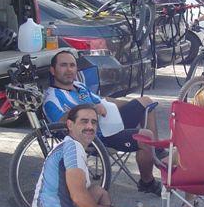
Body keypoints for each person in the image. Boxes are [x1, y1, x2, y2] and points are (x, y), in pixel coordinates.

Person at [33, 104, 162, 207]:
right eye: (84, 121)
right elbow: (79, 199)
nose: (90, 126)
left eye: (93, 122)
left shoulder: (67, 146)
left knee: (99, 191)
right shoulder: (73, 150)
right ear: (70, 124)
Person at [43, 50, 162, 195]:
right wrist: (90, 109)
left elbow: (104, 101)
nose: (69, 70)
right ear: (53, 70)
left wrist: (132, 104)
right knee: (146, 137)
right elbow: (61, 124)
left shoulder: (79, 86)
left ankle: (156, 151)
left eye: (72, 65)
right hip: (97, 137)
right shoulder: (52, 98)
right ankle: (147, 182)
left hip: (110, 122)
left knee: (146, 103)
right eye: (63, 65)